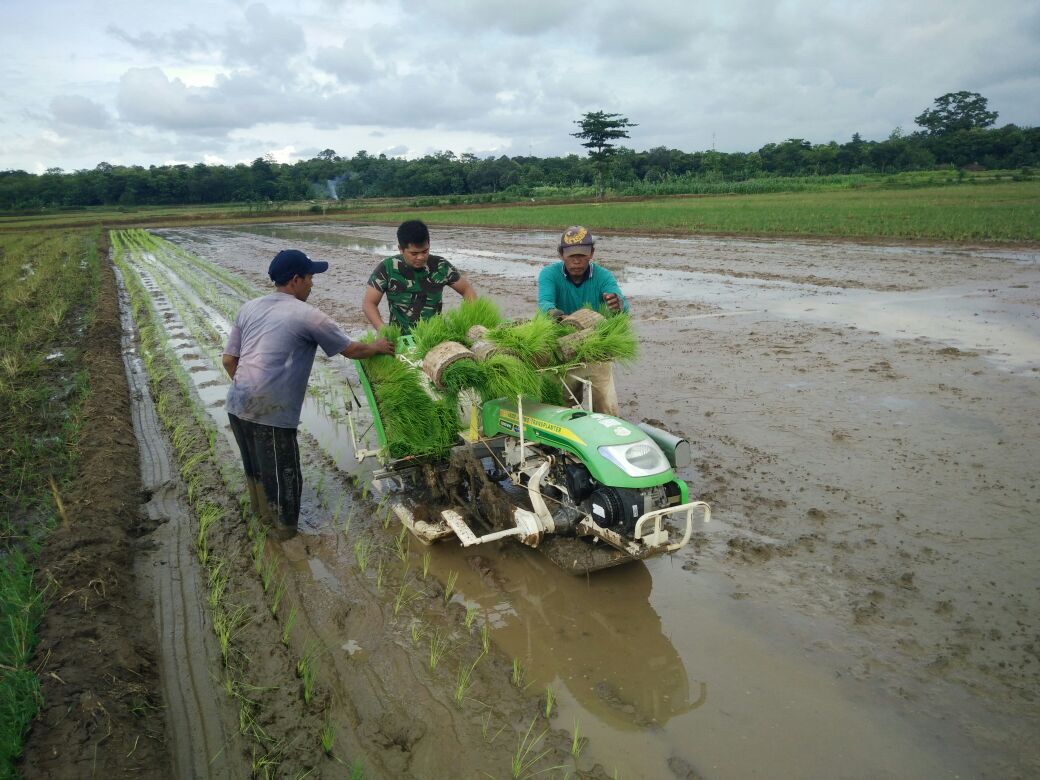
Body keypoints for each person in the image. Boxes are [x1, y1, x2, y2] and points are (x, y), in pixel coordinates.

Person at [222, 249, 394, 540]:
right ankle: (285, 536)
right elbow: (351, 350)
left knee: (256, 469)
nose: (313, 283)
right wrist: (378, 347)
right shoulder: (308, 315)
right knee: (283, 476)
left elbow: (229, 360)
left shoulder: (249, 307)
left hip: (236, 404)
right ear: (295, 280)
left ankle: (261, 519)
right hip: (271, 412)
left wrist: (248, 392)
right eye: (310, 277)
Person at [537, 226, 628, 416]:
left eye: (582, 255)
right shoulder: (549, 274)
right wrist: (557, 316)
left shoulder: (603, 276)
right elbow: (545, 302)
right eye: (571, 256)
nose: (576, 261)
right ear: (561, 254)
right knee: (566, 402)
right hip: (563, 346)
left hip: (596, 347)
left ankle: (605, 434)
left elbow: (620, 302)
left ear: (591, 254)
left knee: (605, 402)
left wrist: (617, 305)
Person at [363, 219, 477, 334]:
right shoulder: (387, 268)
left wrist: (470, 319)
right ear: (401, 249)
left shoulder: (440, 265)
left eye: (425, 251)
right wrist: (383, 330)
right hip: (401, 339)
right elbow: (369, 303)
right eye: (414, 253)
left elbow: (467, 290)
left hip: (434, 336)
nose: (421, 257)